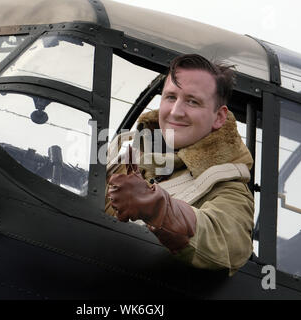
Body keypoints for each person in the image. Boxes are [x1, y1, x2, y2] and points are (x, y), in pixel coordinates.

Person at [105, 54, 254, 276]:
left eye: (193, 101)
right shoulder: (124, 147)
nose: (176, 111)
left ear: (219, 117)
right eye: (171, 97)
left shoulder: (228, 188)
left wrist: (157, 207)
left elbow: (228, 243)